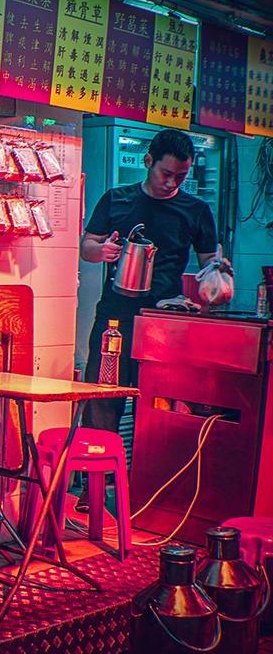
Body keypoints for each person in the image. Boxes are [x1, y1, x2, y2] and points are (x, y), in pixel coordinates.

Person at [80, 129, 229, 433]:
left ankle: (147, 476)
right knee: (103, 396)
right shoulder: (116, 199)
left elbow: (208, 263)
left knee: (159, 402)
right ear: (148, 161)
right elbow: (87, 247)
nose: (172, 182)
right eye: (166, 173)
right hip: (116, 316)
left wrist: (219, 272)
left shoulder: (196, 210)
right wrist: (102, 250)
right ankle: (94, 474)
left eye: (181, 176)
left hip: (165, 320)